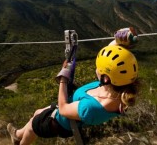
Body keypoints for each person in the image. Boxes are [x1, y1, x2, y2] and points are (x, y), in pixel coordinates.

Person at [7, 27, 139, 145]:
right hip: (68, 111)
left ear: (105, 78)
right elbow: (113, 60)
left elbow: (64, 109)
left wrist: (63, 79)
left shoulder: (92, 107)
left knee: (33, 125)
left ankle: (19, 141)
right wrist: (121, 40)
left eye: (98, 68)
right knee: (37, 112)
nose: (96, 69)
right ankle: (17, 135)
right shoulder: (121, 83)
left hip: (60, 122)